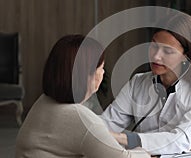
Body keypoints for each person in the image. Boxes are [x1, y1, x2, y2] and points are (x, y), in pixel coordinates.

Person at [15, 35, 150, 158]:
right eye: (101, 67)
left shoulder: (43, 102)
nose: (103, 73)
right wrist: (144, 153)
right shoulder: (82, 120)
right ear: (89, 75)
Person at [101, 14, 191, 155]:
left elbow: (181, 140)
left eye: (167, 51)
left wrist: (126, 139)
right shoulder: (138, 83)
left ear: (186, 55)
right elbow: (106, 124)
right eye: (154, 46)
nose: (156, 56)